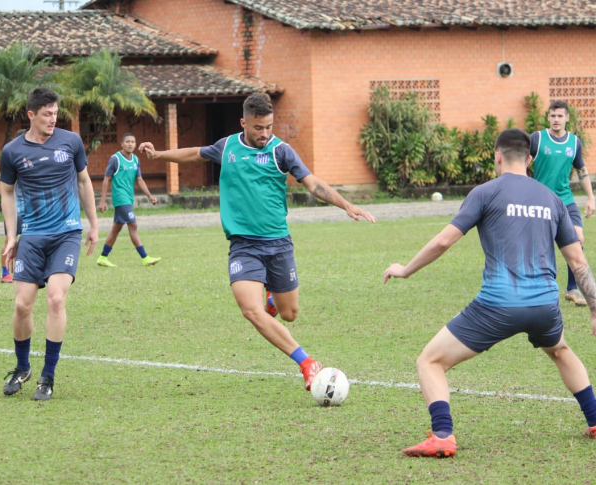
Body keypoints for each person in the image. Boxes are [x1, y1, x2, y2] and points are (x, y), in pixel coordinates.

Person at [138, 93, 376, 391]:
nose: (265, 134)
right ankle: (307, 363)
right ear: (244, 123)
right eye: (258, 128)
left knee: (289, 314)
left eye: (269, 127)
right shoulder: (227, 147)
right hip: (244, 246)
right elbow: (194, 153)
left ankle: (272, 301)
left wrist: (346, 205)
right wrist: (159, 156)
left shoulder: (282, 151)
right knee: (251, 310)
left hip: (278, 245)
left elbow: (313, 183)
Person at [384, 128, 596, 458]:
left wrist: (405, 269)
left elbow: (443, 241)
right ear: (529, 160)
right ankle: (595, 419)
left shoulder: (485, 193)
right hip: (544, 304)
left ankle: (442, 435)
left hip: (498, 304)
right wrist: (594, 310)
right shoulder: (552, 199)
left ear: (497, 156)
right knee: (560, 350)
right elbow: (578, 261)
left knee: (430, 360)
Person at [0, 88, 98, 401]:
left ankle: (48, 376)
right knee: (21, 304)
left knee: (56, 299)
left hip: (66, 234)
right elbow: (7, 193)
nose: (53, 119)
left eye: (55, 113)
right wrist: (12, 235)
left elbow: (83, 181)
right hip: (31, 237)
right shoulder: (12, 151)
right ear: (31, 115)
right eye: (46, 114)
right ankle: (22, 367)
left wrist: (93, 224)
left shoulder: (71, 142)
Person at [531, 100, 595, 307]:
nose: (556, 119)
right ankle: (540, 288)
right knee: (542, 245)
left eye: (560, 116)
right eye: (553, 116)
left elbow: (581, 170)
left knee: (578, 236)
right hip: (541, 200)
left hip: (566, 200)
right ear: (548, 117)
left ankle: (572, 289)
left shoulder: (574, 142)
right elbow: (521, 164)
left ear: (567, 118)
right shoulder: (537, 139)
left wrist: (591, 197)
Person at [97, 133, 161, 267]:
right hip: (121, 198)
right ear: (122, 143)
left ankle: (103, 257)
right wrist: (102, 201)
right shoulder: (115, 159)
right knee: (133, 225)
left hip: (129, 197)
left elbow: (139, 180)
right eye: (127, 141)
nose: (130, 144)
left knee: (116, 228)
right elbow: (106, 179)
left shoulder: (136, 160)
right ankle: (145, 258)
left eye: (133, 141)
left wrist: (150, 196)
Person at [0, 129, 27, 283]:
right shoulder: (11, 160)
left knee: (28, 239)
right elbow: (4, 188)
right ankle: (5, 272)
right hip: (14, 209)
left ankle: (21, 270)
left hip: (29, 208)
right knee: (9, 240)